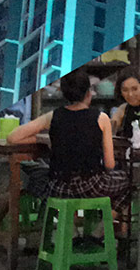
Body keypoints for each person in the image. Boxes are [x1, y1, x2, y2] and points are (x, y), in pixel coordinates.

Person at [7, 70, 132, 239]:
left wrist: (41, 138)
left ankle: (71, 231)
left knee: (46, 182)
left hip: (59, 186)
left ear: (64, 93)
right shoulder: (101, 118)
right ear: (89, 93)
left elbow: (13, 137)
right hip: (91, 184)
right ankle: (99, 231)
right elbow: (109, 164)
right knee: (130, 181)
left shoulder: (53, 116)